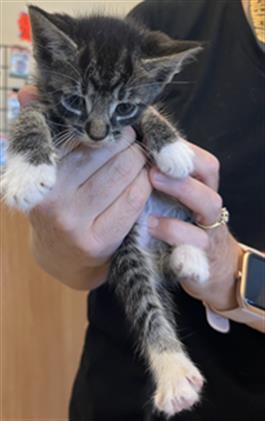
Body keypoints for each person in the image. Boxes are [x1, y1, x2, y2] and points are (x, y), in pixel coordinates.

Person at [19, 0, 264, 420]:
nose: (97, 130)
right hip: (116, 390)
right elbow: (72, 265)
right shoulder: (167, 18)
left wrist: (236, 275)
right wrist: (60, 248)